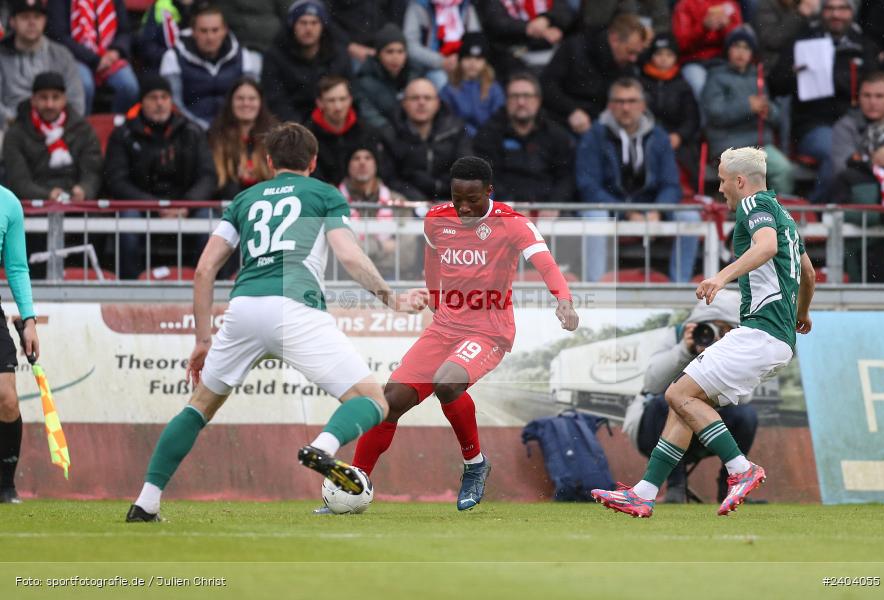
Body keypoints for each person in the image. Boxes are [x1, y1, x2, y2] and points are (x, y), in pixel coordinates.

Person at [125, 122, 427, 522]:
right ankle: (323, 445)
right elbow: (350, 256)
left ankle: (146, 502)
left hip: (244, 308)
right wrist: (393, 299)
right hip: (295, 307)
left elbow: (204, 270)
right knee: (372, 400)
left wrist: (202, 339)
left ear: (268, 162)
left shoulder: (244, 199)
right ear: (314, 161)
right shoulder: (325, 194)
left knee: (198, 407)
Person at [593, 146, 816, 518]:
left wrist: (721, 277)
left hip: (759, 332)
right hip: (777, 337)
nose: (721, 189)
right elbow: (807, 273)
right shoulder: (785, 215)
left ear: (740, 181)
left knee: (677, 393)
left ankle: (741, 470)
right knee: (685, 405)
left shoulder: (752, 206)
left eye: (723, 181)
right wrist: (802, 313)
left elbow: (766, 246)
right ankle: (645, 492)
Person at [347, 156, 579, 512]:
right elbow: (432, 261)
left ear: (490, 191)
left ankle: (474, 464)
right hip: (445, 328)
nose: (465, 207)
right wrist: (437, 300)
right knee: (390, 401)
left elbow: (545, 263)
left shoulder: (512, 223)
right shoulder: (437, 219)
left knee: (447, 383)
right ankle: (352, 485)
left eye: (473, 199)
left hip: (489, 330)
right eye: (458, 199)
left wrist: (563, 300)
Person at [622, 290, 760, 504]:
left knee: (747, 415)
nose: (711, 333)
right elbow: (651, 383)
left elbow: (745, 397)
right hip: (653, 428)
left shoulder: (734, 346)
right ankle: (675, 487)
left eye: (722, 329)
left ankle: (731, 487)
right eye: (708, 326)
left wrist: (724, 354)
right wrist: (684, 350)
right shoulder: (677, 335)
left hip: (707, 431)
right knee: (667, 402)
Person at [575, 77, 699, 283]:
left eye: (632, 101)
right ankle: (596, 288)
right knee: (594, 217)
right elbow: (588, 185)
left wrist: (657, 210)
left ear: (642, 105)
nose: (626, 107)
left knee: (691, 219)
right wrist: (627, 212)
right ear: (610, 105)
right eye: (619, 101)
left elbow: (671, 184)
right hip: (609, 206)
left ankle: (680, 288)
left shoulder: (658, 136)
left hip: (651, 207)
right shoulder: (594, 135)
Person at [103, 75, 217, 279]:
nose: (159, 103)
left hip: (186, 206)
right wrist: (154, 205)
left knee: (212, 225)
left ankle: (208, 285)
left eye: (164, 97)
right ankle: (128, 289)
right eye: (153, 97)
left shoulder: (192, 131)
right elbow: (116, 180)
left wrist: (187, 204)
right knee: (127, 225)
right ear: (141, 102)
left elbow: (208, 176)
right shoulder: (124, 134)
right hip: (140, 206)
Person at [769, 0, 879, 204]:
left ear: (852, 12)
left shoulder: (863, 44)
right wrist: (793, 75)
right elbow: (775, 84)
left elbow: (876, 85)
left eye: (842, 8)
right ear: (821, 12)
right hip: (813, 125)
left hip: (857, 124)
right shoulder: (803, 40)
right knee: (835, 150)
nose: (836, 14)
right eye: (830, 8)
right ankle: (817, 210)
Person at [702, 26, 795, 194]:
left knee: (784, 170)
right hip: (729, 147)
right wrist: (747, 107)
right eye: (736, 46)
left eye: (746, 48)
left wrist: (769, 111)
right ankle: (744, 218)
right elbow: (715, 113)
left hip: (759, 147)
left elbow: (776, 116)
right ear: (728, 51)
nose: (741, 52)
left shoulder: (757, 77)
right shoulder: (716, 77)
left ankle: (779, 217)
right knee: (744, 182)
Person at [473, 71, 575, 204]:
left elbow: (566, 177)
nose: (521, 102)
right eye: (514, 96)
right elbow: (487, 176)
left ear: (538, 101)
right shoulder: (488, 134)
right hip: (503, 210)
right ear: (506, 100)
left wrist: (554, 204)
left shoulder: (556, 135)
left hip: (549, 212)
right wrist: (510, 204)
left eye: (526, 96)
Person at [159, 3, 262, 130]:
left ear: (224, 30)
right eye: (204, 31)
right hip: (190, 132)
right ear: (193, 32)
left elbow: (252, 99)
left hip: (235, 131)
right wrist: (200, 128)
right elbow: (174, 105)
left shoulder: (244, 56)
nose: (210, 37)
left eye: (215, 30)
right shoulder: (172, 57)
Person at [3, 71, 102, 201]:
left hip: (78, 207)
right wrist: (46, 195)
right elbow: (18, 181)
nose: (50, 104)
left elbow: (93, 171)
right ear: (33, 100)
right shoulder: (16, 134)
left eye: (55, 97)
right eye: (44, 97)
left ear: (64, 100)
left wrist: (84, 190)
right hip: (33, 209)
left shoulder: (83, 130)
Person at [541, 13, 646, 135]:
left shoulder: (627, 66)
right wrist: (571, 110)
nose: (634, 59)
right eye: (630, 52)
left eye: (637, 53)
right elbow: (547, 86)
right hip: (563, 123)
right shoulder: (574, 48)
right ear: (614, 39)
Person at [0, 185, 39, 505]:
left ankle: (5, 486)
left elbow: (16, 267)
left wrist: (29, 320)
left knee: (6, 397)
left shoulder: (8, 202)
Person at [0, 0, 85, 138]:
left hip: (57, 127)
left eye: (37, 17)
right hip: (11, 127)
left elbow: (76, 102)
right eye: (25, 17)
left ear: (45, 20)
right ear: (12, 22)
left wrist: (54, 124)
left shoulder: (62, 55)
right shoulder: (1, 55)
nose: (32, 23)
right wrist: (15, 122)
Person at [261, 0, 352, 124]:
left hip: (331, 123)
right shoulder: (275, 56)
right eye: (303, 23)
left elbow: (351, 93)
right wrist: (300, 129)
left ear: (322, 26)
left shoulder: (339, 55)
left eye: (314, 23)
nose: (308, 28)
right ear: (293, 25)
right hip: (292, 127)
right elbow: (276, 100)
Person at [830, 123, 884, 283]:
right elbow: (839, 211)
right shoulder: (850, 176)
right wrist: (881, 217)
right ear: (873, 149)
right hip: (863, 248)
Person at [384, 78, 472, 200]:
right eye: (415, 98)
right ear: (404, 103)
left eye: (427, 98)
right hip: (407, 204)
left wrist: (438, 186)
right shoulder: (390, 133)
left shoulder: (455, 130)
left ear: (437, 103)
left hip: (450, 201)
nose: (421, 103)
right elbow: (389, 179)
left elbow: (466, 171)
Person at [46, 0, 140, 114]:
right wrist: (94, 59)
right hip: (77, 57)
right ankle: (83, 127)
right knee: (85, 86)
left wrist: (116, 51)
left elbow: (124, 31)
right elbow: (59, 35)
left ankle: (119, 126)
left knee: (129, 86)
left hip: (110, 56)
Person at [338, 144, 417, 277]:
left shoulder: (397, 202)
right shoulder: (333, 202)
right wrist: (381, 247)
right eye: (356, 158)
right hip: (345, 280)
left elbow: (407, 254)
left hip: (390, 279)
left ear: (376, 164)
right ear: (348, 165)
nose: (362, 162)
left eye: (368, 158)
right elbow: (335, 254)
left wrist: (358, 253)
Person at [639, 32, 701, 187]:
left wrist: (679, 136)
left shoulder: (683, 86)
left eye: (669, 54)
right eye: (659, 53)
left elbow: (692, 118)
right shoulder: (640, 82)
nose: (664, 58)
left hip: (676, 140)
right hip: (645, 136)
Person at [209, 78, 278, 200]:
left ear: (261, 102)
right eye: (240, 98)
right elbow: (211, 178)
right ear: (231, 102)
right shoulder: (215, 135)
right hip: (228, 204)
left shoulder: (276, 135)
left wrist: (258, 174)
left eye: (252, 99)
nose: (246, 103)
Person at [354, 23, 427, 133]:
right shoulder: (365, 81)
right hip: (384, 137)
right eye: (389, 51)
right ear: (378, 54)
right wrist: (392, 134)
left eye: (400, 51)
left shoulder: (415, 75)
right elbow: (369, 116)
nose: (395, 57)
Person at [305, 75, 379, 185]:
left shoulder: (366, 131)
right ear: (320, 103)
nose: (338, 107)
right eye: (331, 100)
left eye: (342, 99)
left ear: (350, 99)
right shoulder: (307, 136)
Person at [476, 0, 575, 76]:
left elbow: (566, 12)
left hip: (550, 52)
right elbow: (496, 23)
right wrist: (529, 28)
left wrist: (547, 19)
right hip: (512, 54)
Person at [402, 0, 481, 91]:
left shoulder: (464, 5)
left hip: (461, 63)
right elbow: (410, 46)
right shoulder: (418, 6)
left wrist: (460, 58)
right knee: (442, 82)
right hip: (428, 66)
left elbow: (475, 39)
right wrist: (441, 61)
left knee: (482, 80)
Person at [672, 0, 744, 100]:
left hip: (721, 60)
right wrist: (703, 27)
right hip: (693, 61)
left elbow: (740, 41)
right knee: (700, 87)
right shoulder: (685, 4)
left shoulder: (729, 4)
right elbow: (681, 45)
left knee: (731, 88)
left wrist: (726, 27)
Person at [831, 71, 884, 174]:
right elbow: (841, 169)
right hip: (861, 188)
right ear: (859, 97)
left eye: (879, 96)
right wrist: (874, 161)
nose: (872, 102)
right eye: (866, 95)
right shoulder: (845, 126)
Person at [438, 32, 505, 137]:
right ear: (460, 61)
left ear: (485, 62)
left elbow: (499, 118)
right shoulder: (449, 90)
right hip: (460, 139)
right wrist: (470, 132)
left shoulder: (494, 89)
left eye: (478, 59)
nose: (473, 63)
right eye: (468, 58)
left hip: (489, 138)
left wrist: (484, 135)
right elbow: (448, 120)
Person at [752, 0, 820, 74]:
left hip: (803, 63)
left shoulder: (800, 3)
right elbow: (772, 40)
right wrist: (799, 15)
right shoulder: (766, 5)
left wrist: (816, 11)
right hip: (775, 69)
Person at [136, 0, 196, 72]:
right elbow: (147, 45)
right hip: (162, 66)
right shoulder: (161, 5)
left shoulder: (206, 6)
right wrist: (170, 57)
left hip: (199, 68)